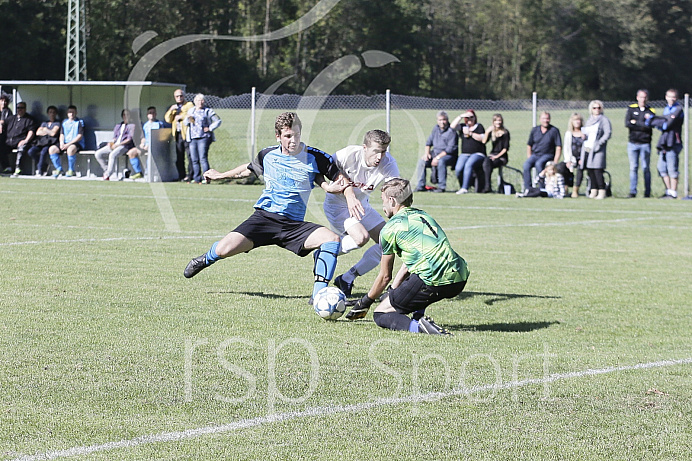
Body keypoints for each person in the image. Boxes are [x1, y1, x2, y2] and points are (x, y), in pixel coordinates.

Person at [183, 112, 348, 303]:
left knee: (331, 239)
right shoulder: (267, 155)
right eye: (287, 136)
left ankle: (319, 294)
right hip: (263, 219)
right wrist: (220, 175)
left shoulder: (315, 157)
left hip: (293, 225)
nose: (293, 140)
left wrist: (335, 189)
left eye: (296, 135)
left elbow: (337, 177)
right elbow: (248, 169)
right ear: (278, 136)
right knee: (223, 250)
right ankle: (204, 259)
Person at [345, 178, 469, 335]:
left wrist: (366, 301)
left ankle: (419, 328)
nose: (383, 206)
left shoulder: (390, 229)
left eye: (383, 201)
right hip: (459, 277)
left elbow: (384, 276)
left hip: (433, 279)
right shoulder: (422, 216)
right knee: (414, 284)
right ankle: (418, 316)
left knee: (381, 314)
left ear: (392, 200)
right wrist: (393, 291)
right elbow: (409, 264)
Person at [324, 130, 400, 300]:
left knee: (388, 241)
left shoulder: (388, 163)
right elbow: (325, 166)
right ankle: (326, 250)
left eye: (384, 151)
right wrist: (348, 192)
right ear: (364, 148)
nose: (380, 156)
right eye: (376, 151)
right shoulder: (348, 154)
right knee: (361, 238)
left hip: (362, 206)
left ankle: (347, 278)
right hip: (337, 206)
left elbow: (396, 191)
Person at [647, 89, 683, 199]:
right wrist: (658, 121)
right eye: (669, 96)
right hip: (664, 142)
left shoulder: (678, 109)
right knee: (661, 168)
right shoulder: (667, 109)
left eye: (674, 97)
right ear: (666, 97)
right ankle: (668, 191)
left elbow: (667, 124)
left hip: (673, 142)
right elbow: (661, 124)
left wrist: (655, 120)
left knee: (672, 168)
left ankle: (673, 192)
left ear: (676, 98)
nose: (671, 99)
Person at [415, 111, 458, 193]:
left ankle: (441, 187)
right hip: (434, 154)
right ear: (437, 120)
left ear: (447, 120)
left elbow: (450, 149)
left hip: (449, 156)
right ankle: (421, 186)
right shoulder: (436, 129)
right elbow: (428, 143)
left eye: (444, 120)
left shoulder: (452, 131)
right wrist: (426, 154)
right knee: (422, 161)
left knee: (441, 161)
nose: (442, 122)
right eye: (440, 120)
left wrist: (437, 158)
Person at [183, 94, 222, 184]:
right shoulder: (191, 111)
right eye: (198, 100)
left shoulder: (208, 111)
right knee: (194, 159)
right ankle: (196, 178)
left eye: (201, 100)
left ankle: (206, 177)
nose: (200, 102)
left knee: (203, 158)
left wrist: (210, 128)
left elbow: (218, 120)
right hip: (193, 138)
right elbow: (185, 122)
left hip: (203, 137)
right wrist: (188, 118)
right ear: (194, 102)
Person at [625, 90, 655, 198]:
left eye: (645, 97)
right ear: (637, 97)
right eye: (641, 97)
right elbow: (628, 123)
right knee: (633, 167)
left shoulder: (651, 111)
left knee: (646, 168)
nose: (643, 99)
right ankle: (633, 191)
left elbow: (649, 125)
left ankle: (647, 192)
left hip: (645, 143)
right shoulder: (631, 108)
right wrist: (641, 124)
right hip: (632, 143)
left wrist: (636, 123)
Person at [523, 111, 561, 192]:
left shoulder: (554, 130)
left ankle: (542, 188)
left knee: (539, 164)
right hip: (535, 154)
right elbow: (529, 144)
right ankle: (528, 188)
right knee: (526, 165)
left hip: (548, 155)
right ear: (540, 119)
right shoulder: (535, 130)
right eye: (544, 118)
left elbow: (558, 147)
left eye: (547, 118)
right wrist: (529, 157)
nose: (546, 120)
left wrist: (555, 161)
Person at [126, 106, 168, 180]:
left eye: (153, 113)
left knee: (150, 153)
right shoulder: (145, 125)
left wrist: (150, 145)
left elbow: (162, 138)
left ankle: (148, 173)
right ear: (147, 115)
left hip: (156, 146)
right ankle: (139, 172)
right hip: (146, 146)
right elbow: (143, 137)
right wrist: (142, 143)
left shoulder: (159, 124)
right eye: (150, 113)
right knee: (131, 153)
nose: (151, 114)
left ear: (156, 114)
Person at [582, 100, 612, 199]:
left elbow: (607, 133)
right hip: (588, 147)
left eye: (598, 108)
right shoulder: (589, 120)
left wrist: (599, 143)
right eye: (594, 108)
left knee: (598, 170)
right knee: (590, 170)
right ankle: (593, 190)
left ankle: (602, 190)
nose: (597, 110)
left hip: (598, 149)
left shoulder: (604, 120)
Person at [451, 109, 486, 194]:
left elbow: (482, 139)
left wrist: (470, 133)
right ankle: (466, 184)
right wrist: (460, 116)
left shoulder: (479, 126)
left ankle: (464, 188)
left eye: (471, 117)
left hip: (478, 154)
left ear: (475, 118)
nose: (470, 119)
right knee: (458, 169)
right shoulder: (463, 126)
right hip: (464, 154)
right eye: (468, 117)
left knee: (468, 165)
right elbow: (452, 126)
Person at [95, 109, 136, 180]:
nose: (126, 116)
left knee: (112, 155)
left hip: (125, 146)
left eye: (127, 115)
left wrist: (118, 145)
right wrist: (111, 143)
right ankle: (107, 170)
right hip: (115, 145)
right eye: (124, 115)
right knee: (98, 153)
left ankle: (107, 175)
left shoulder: (132, 126)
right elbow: (115, 137)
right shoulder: (118, 125)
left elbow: (129, 139)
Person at [164, 89, 194, 181]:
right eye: (177, 96)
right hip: (177, 135)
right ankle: (182, 176)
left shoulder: (189, 105)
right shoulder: (174, 107)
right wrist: (171, 110)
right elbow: (168, 119)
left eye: (181, 96)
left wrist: (182, 116)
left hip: (188, 134)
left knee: (190, 156)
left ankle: (191, 175)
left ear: (184, 96)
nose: (179, 98)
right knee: (179, 157)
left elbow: (192, 114)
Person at [49, 105, 84, 178]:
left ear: (76, 113)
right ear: (67, 113)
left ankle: (71, 170)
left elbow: (79, 136)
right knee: (52, 149)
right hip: (65, 143)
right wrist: (61, 143)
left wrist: (68, 144)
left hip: (75, 143)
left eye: (73, 112)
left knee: (70, 149)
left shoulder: (79, 122)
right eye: (70, 112)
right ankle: (59, 168)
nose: (71, 114)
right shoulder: (64, 122)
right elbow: (62, 134)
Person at [4, 101, 36, 176]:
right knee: (1, 147)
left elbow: (31, 131)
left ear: (25, 109)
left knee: (21, 148)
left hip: (20, 141)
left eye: (22, 108)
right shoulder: (11, 118)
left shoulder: (29, 119)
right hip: (9, 141)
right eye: (18, 108)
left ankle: (18, 168)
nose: (20, 109)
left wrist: (26, 140)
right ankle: (7, 167)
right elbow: (3, 124)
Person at [480, 113, 510, 193]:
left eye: (499, 120)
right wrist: (487, 132)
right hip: (492, 155)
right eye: (496, 121)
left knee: (488, 163)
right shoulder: (492, 132)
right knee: (486, 162)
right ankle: (487, 186)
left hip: (501, 157)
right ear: (493, 122)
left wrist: (496, 157)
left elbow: (505, 149)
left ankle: (488, 186)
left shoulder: (505, 133)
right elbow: (483, 142)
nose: (498, 122)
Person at [27, 105, 60, 176]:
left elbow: (53, 133)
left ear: (56, 114)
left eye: (54, 112)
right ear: (48, 113)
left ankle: (40, 170)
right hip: (41, 142)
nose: (52, 114)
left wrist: (45, 130)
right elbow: (38, 132)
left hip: (50, 143)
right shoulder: (44, 123)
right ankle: (44, 165)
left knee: (43, 152)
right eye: (50, 112)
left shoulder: (57, 123)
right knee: (31, 151)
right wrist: (48, 131)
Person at [560, 113, 586, 198]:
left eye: (579, 120)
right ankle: (565, 187)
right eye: (575, 120)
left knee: (580, 169)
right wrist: (568, 160)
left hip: (582, 159)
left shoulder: (585, 133)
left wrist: (583, 158)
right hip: (571, 158)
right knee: (561, 167)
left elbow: (588, 147)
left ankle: (575, 190)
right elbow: (566, 148)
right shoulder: (569, 134)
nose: (577, 122)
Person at [0, 95, 12, 173]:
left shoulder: (8, 112)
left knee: (2, 148)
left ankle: (7, 167)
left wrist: (2, 123)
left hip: (5, 136)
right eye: (2, 101)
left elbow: (7, 122)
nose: (3, 103)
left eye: (5, 101)